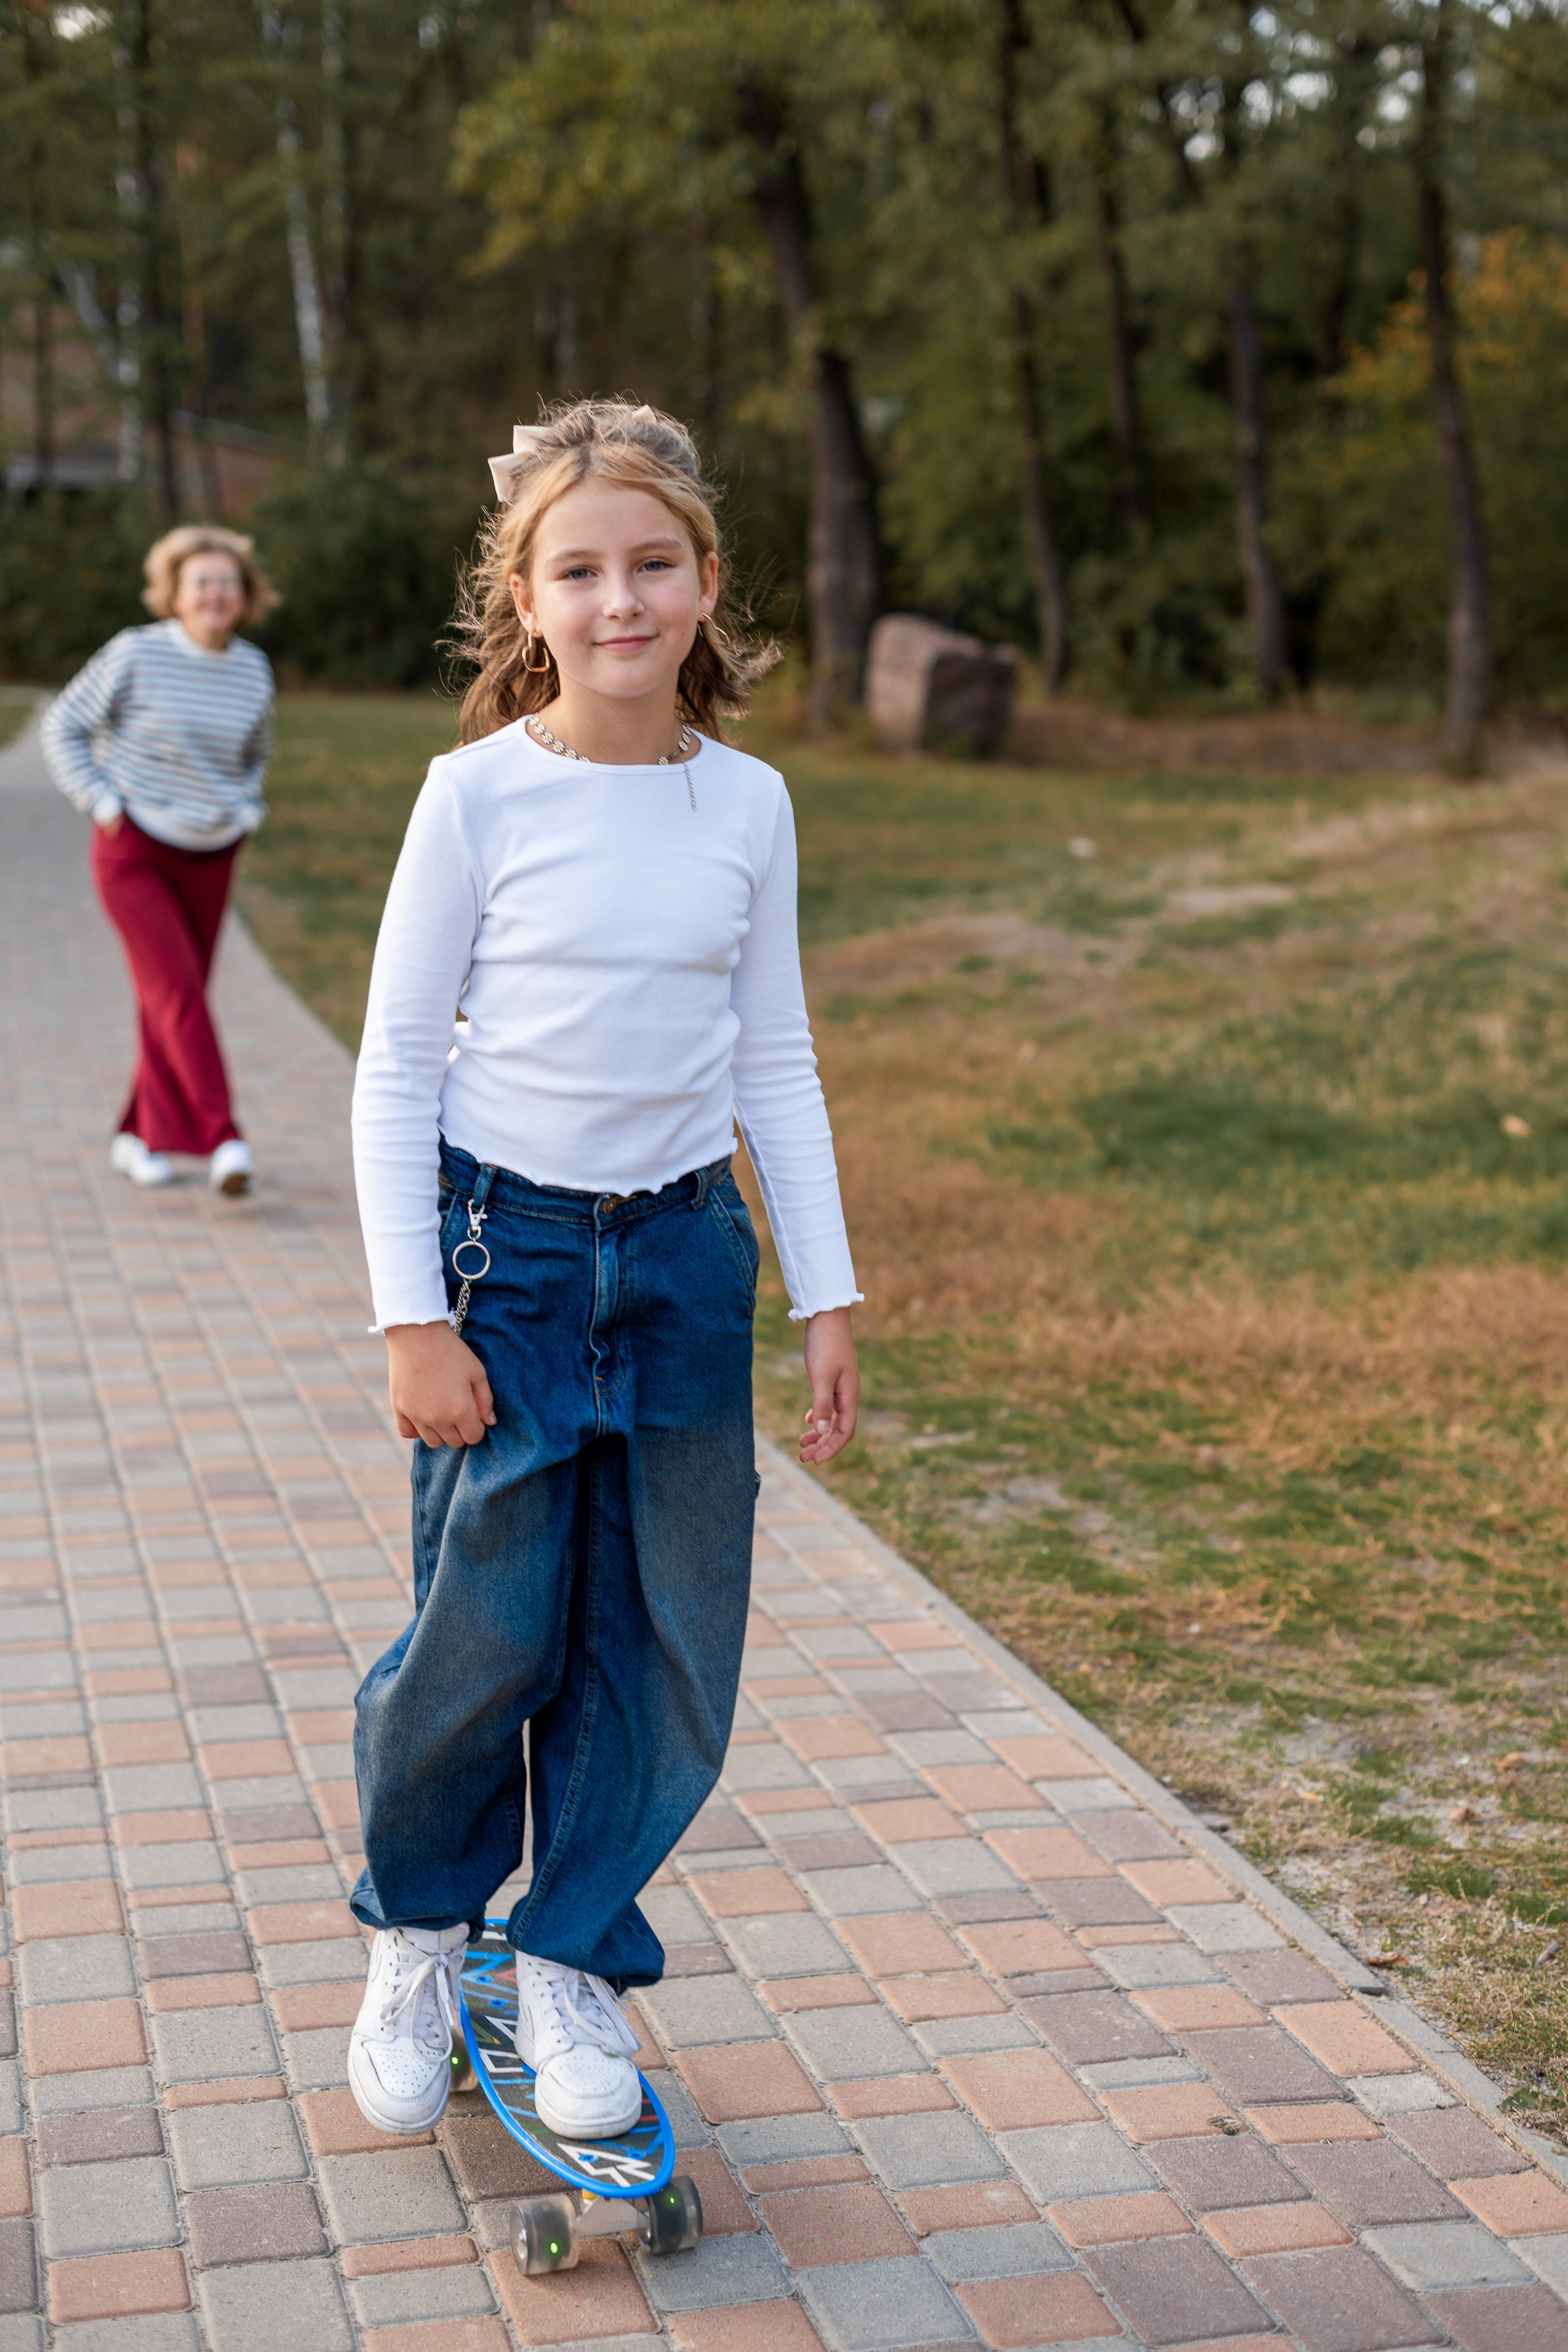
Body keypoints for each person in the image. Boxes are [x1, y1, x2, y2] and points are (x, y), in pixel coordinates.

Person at [345, 398, 862, 2138]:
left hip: (684, 1264)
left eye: (654, 564)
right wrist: (413, 1316)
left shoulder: (751, 805)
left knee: (664, 1646)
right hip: (504, 1255)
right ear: (529, 596)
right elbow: (398, 1066)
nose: (621, 598)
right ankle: (422, 1930)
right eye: (582, 569)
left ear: (708, 583)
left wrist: (827, 1284)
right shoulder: (475, 796)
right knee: (482, 1633)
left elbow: (771, 1050)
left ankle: (570, 1960)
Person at [41, 525, 276, 1197]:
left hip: (212, 851)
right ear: (174, 593)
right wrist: (100, 801)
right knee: (177, 994)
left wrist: (246, 807)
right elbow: (64, 725)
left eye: (227, 582)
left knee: (170, 1000)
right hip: (134, 850)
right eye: (201, 581)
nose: (215, 594)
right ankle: (224, 1136)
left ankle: (138, 1135)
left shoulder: (251, 668)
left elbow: (257, 753)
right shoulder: (136, 654)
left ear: (245, 595)